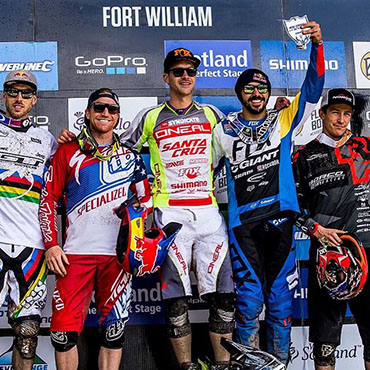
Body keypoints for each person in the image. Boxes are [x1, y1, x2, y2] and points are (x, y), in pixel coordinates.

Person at [212, 21, 324, 364]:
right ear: (240, 94)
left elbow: (313, 89)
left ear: (267, 92)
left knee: (279, 302)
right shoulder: (223, 130)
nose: (256, 94)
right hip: (243, 224)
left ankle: (280, 363)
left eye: (261, 88)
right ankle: (247, 365)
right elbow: (200, 174)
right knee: (247, 302)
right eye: (249, 89)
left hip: (281, 220)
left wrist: (318, 46)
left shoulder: (283, 120)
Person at [121, 48, 235, 370]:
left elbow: (243, 143)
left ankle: (223, 365)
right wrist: (81, 139)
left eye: (191, 71)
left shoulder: (212, 114)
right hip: (169, 216)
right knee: (175, 300)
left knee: (224, 298)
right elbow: (118, 150)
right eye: (178, 71)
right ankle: (185, 366)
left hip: (209, 214)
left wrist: (275, 114)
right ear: (166, 77)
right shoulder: (151, 117)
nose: (186, 76)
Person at [38, 88, 152, 370]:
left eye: (112, 110)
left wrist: (137, 236)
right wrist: (52, 243)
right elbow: (48, 199)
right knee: (62, 335)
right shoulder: (67, 152)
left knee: (113, 333)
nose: (105, 113)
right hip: (75, 254)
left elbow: (146, 199)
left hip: (118, 257)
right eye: (99, 108)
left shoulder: (132, 157)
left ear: (118, 117)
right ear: (87, 113)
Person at [293, 88, 370, 370]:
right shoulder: (303, 156)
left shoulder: (366, 148)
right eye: (335, 112)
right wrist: (315, 230)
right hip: (328, 257)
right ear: (322, 114)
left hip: (366, 251)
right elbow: (292, 207)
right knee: (324, 345)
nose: (341, 119)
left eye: (346, 114)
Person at [0, 70, 57, 369]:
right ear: (4, 95)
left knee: (27, 332)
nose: (18, 98)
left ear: (34, 99)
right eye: (12, 91)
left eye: (25, 93)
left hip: (32, 247)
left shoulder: (46, 141)